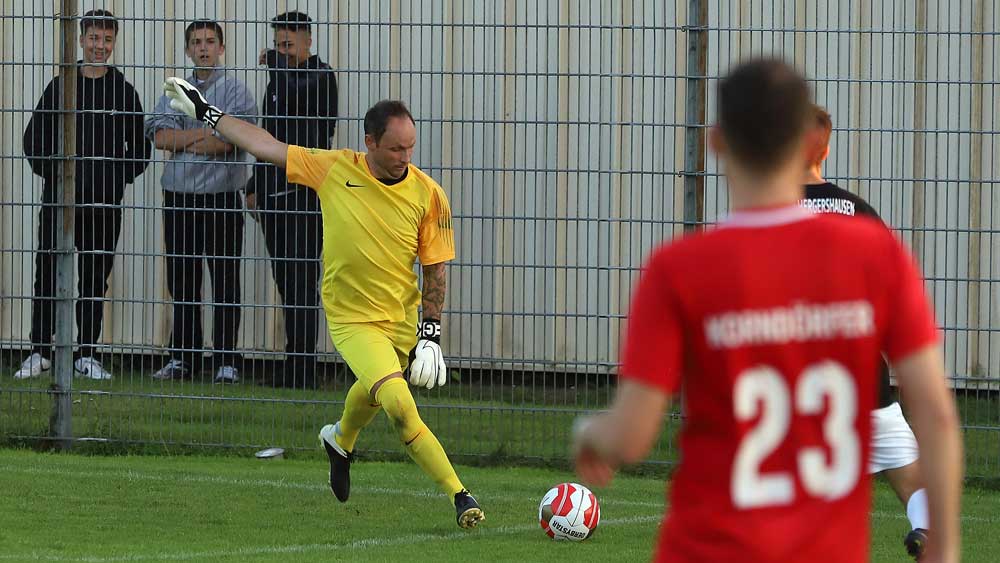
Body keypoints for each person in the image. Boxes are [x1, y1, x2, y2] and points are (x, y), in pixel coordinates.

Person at [572, 59, 962, 563]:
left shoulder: (678, 269)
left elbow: (631, 434)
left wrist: (589, 434)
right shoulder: (875, 254)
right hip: (825, 547)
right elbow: (936, 413)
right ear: (806, 145)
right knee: (907, 470)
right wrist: (947, 549)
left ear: (716, 142)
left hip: (707, 547)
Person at [160, 78, 485, 529]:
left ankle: (339, 440)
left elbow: (435, 270)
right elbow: (265, 144)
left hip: (399, 320)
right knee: (396, 401)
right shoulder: (333, 168)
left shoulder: (429, 194)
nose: (404, 158)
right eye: (395, 149)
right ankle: (461, 496)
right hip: (351, 319)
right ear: (369, 142)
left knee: (374, 391)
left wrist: (430, 334)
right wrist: (209, 113)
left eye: (410, 148)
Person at [802, 104, 932, 560]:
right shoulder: (859, 211)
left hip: (800, 379)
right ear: (826, 149)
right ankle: (925, 529)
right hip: (862, 371)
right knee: (914, 479)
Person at [16, 9, 151, 380]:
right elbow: (33, 140)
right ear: (81, 39)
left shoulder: (123, 91)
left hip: (104, 204)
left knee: (93, 278)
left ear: (114, 43)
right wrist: (59, 176)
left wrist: (113, 179)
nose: (99, 46)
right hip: (60, 202)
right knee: (47, 272)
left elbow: (140, 150)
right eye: (93, 38)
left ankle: (86, 354)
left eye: (107, 40)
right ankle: (40, 351)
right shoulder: (62, 85)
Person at [144, 20, 257, 383]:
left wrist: (185, 138)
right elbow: (159, 137)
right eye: (196, 42)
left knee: (225, 280)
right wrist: (205, 133)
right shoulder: (174, 89)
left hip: (221, 198)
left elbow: (233, 140)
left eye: (210, 42)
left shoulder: (236, 91)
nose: (203, 48)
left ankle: (226, 359)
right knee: (183, 280)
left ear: (221, 48)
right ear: (188, 50)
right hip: (179, 198)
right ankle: (184, 357)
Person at [245, 11, 338, 389]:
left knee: (302, 279)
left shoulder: (320, 76)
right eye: (278, 45)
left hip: (304, 196)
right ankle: (293, 359)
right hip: (273, 194)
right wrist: (254, 184)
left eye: (289, 45)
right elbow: (269, 135)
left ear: (308, 41)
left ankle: (304, 366)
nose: (282, 52)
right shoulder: (279, 80)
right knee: (285, 279)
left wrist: (277, 66)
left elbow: (301, 115)